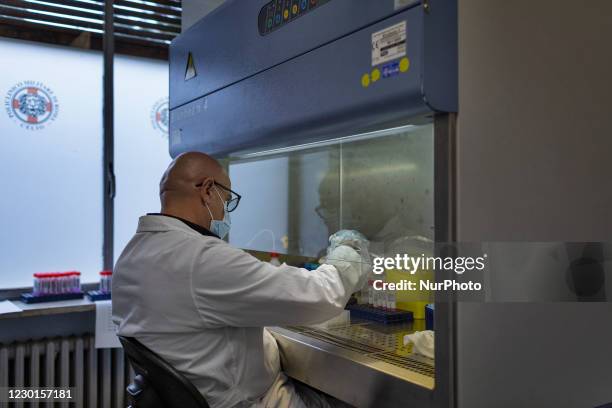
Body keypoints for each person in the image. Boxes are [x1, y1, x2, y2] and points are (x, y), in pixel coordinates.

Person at [112, 152, 370, 408]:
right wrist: (347, 253)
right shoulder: (201, 258)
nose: (226, 214)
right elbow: (319, 296)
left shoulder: (131, 256)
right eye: (227, 201)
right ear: (208, 190)